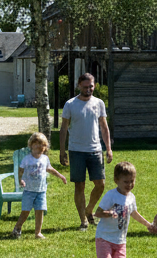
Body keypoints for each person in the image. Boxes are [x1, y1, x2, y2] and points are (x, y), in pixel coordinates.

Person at [60, 73, 113, 231]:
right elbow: (63, 129)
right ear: (78, 86)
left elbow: (104, 127)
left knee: (100, 184)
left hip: (95, 149)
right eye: (85, 87)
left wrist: (108, 148)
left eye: (91, 86)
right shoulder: (70, 104)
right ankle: (83, 220)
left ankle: (89, 209)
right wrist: (62, 151)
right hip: (76, 150)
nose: (89, 89)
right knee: (79, 186)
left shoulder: (99, 103)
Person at [94, 162, 157, 257]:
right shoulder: (111, 195)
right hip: (104, 238)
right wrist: (109, 213)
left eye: (132, 181)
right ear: (116, 180)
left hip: (120, 240)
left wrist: (148, 225)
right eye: (126, 182)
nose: (129, 184)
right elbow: (98, 213)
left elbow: (134, 213)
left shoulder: (131, 197)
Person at [11, 132, 67, 239]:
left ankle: (38, 232)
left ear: (45, 147)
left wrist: (60, 176)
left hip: (41, 190)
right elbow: (20, 171)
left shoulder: (45, 159)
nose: (39, 146)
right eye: (36, 144)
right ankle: (17, 228)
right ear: (31, 145)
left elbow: (49, 169)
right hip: (29, 190)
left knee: (40, 211)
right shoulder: (27, 159)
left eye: (42, 144)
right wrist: (20, 180)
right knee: (26, 211)